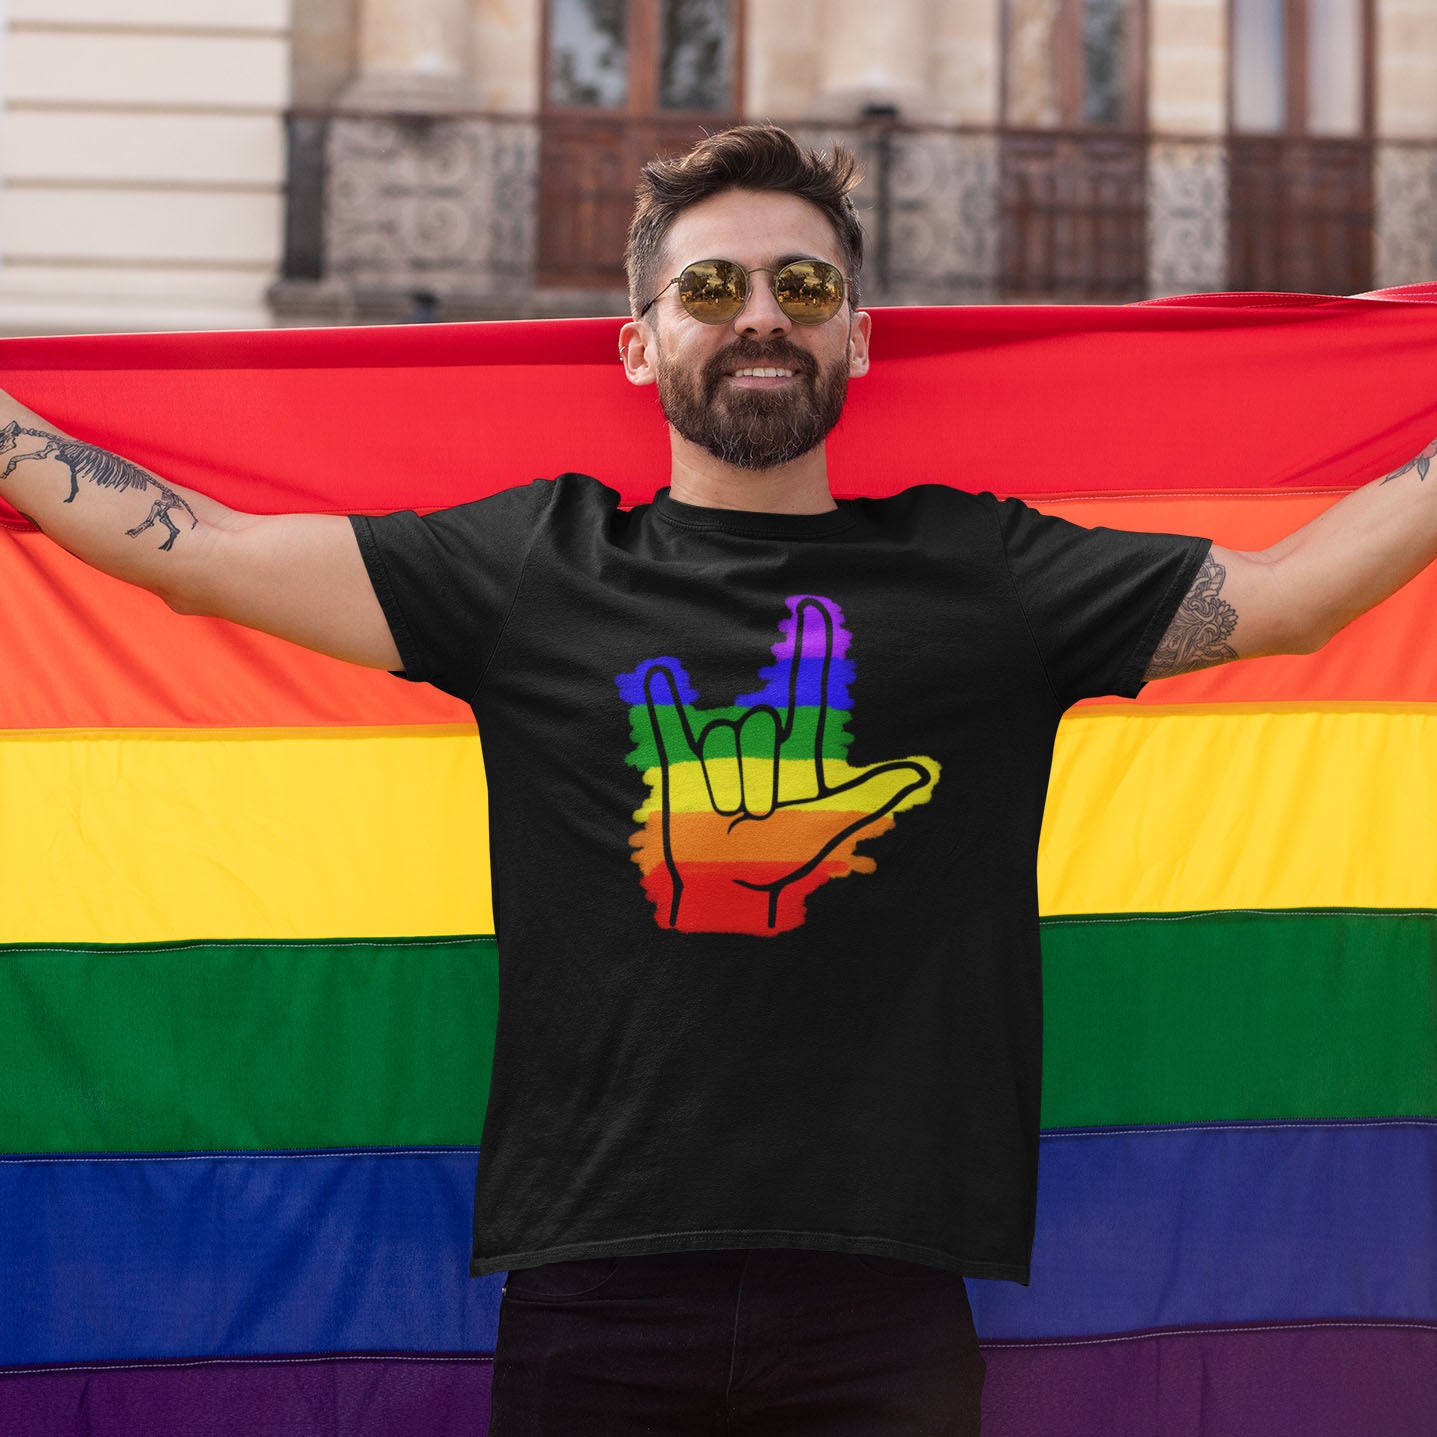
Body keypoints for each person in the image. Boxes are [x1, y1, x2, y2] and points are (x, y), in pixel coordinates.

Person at [2, 124, 1435, 1436]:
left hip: (884, 1295)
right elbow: (204, 557)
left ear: (857, 337)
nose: (760, 313)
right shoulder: (529, 571)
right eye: (714, 288)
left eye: (803, 286)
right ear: (638, 343)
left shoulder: (984, 571)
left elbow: (1294, 596)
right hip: (596, 1287)